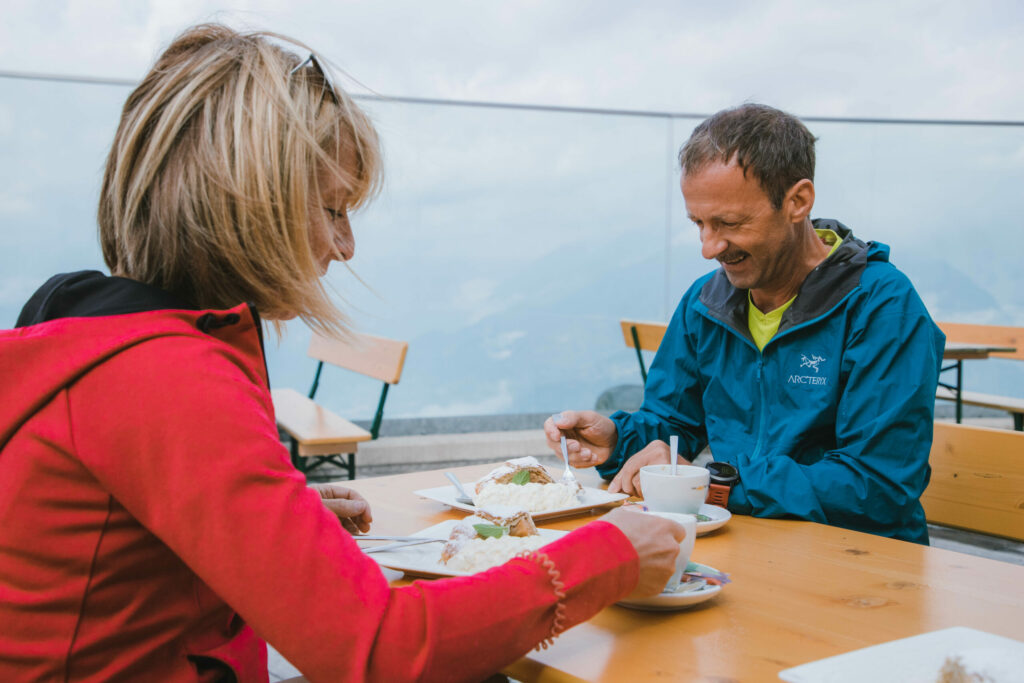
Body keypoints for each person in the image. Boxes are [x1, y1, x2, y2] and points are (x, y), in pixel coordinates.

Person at [0, 24, 686, 682]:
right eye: (331, 208)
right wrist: (612, 554)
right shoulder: (168, 377)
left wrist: (281, 521)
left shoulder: (102, 342)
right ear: (249, 205)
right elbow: (381, 651)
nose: (345, 245)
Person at [545, 103, 945, 545]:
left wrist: (716, 484)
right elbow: (673, 424)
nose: (708, 247)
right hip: (747, 543)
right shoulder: (705, 302)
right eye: (699, 223)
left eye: (729, 223)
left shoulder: (882, 306)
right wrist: (618, 441)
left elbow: (878, 484)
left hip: (862, 560)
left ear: (797, 202)